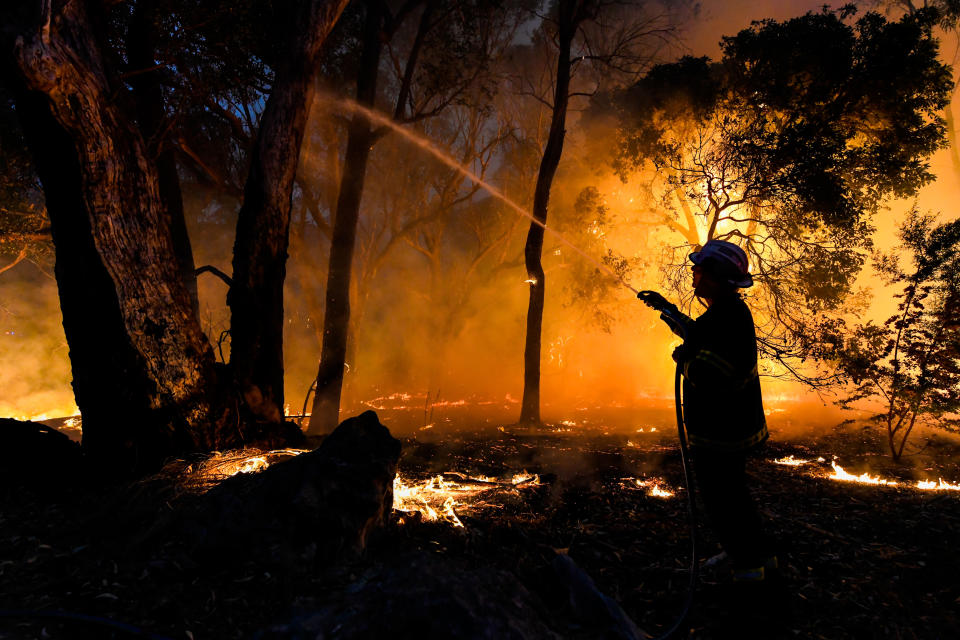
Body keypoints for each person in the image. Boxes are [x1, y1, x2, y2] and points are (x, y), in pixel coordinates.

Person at [638, 239, 776, 586]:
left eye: (700, 270)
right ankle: (756, 554)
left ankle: (747, 571)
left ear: (715, 278)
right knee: (736, 496)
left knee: (723, 502)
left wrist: (683, 362)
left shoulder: (726, 319)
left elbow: (711, 374)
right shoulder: (727, 312)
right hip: (732, 428)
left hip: (721, 434)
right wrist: (666, 309)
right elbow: (698, 334)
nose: (694, 274)